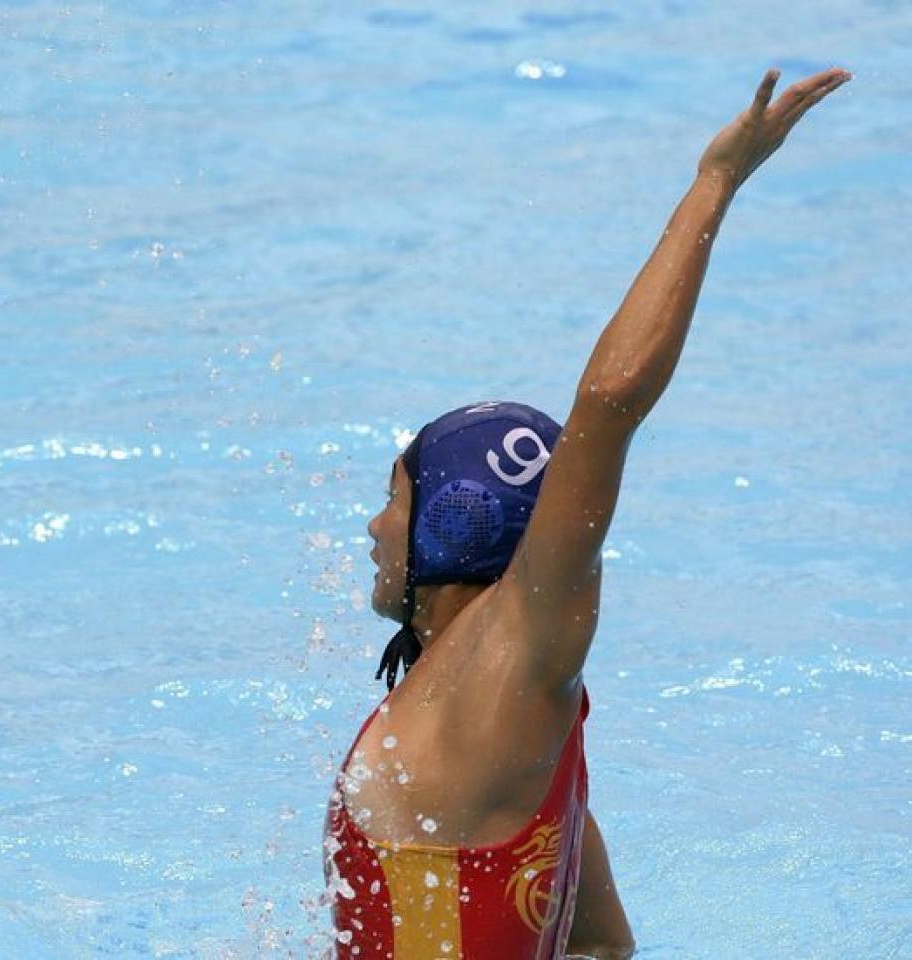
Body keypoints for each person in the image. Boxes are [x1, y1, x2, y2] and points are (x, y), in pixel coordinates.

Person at [323, 67, 849, 959]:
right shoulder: (535, 720)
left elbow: (608, 402)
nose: (374, 528)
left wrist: (715, 181)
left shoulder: (512, 664)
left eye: (393, 500)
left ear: (454, 519)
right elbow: (603, 943)